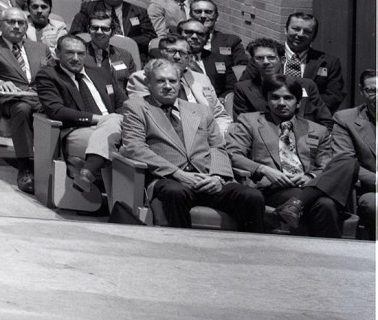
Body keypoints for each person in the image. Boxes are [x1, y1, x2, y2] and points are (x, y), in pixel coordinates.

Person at [115, 58, 270, 231]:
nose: (168, 86)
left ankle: (252, 252)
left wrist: (218, 177)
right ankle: (183, 250)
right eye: (160, 81)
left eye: (173, 81)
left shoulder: (200, 110)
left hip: (208, 178)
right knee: (176, 193)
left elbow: (217, 147)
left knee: (252, 196)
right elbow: (135, 148)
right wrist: (179, 174)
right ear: (148, 83)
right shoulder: (136, 107)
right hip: (169, 178)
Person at [225, 72, 343, 236]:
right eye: (275, 97)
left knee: (327, 200)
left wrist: (309, 177)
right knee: (325, 204)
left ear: (298, 102)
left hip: (306, 186)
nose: (281, 103)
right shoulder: (249, 121)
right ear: (266, 99)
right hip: (271, 188)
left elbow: (325, 166)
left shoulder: (317, 130)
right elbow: (232, 153)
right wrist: (263, 169)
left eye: (288, 98)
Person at [33, 35, 127, 202]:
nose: (76, 58)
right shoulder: (48, 75)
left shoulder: (101, 73)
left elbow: (122, 103)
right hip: (78, 130)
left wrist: (115, 120)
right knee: (122, 147)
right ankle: (122, 206)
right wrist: (99, 119)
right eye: (69, 53)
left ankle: (88, 172)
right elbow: (57, 111)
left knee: (120, 132)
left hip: (115, 126)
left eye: (80, 53)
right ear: (57, 53)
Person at [0, 7, 47, 193]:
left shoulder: (39, 48)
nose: (16, 26)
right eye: (11, 22)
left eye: (21, 23)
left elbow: (50, 73)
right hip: (9, 100)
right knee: (21, 109)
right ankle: (25, 168)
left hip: (39, 97)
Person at [321, 71, 374, 239]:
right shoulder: (346, 119)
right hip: (372, 189)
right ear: (362, 91)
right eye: (371, 91)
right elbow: (345, 161)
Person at [281, 12, 347, 112]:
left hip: (310, 120)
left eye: (307, 31)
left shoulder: (329, 62)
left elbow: (334, 95)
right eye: (296, 29)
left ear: (314, 36)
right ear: (286, 30)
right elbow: (251, 89)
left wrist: (304, 110)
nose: (300, 34)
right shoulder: (267, 57)